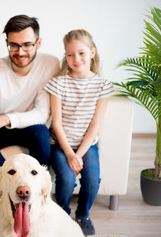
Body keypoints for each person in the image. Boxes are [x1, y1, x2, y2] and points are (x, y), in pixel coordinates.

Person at [44, 29, 114, 236]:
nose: (76, 59)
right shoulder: (59, 83)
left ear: (92, 53)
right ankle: (62, 213)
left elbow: (95, 124)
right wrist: (69, 154)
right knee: (65, 179)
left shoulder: (102, 85)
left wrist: (79, 155)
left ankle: (83, 215)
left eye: (81, 53)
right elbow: (56, 123)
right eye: (70, 54)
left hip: (86, 145)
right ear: (65, 56)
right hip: (60, 144)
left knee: (93, 179)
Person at [0, 15, 60, 174]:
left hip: (28, 126)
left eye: (27, 45)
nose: (20, 52)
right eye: (14, 45)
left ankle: (33, 184)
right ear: (7, 43)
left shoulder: (50, 64)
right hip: (0, 130)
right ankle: (9, 182)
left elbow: (41, 114)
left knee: (42, 135)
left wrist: (5, 119)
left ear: (38, 43)